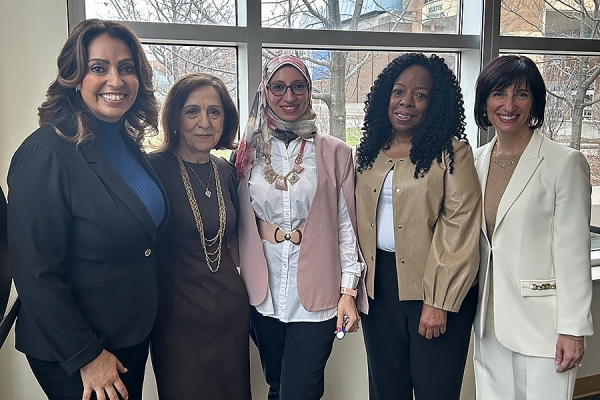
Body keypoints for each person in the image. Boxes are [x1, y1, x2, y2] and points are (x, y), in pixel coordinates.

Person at [7, 19, 167, 400]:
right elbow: (34, 272)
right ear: (74, 77)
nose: (116, 79)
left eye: (126, 68)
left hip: (128, 334)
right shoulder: (46, 151)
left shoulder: (126, 143)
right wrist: (86, 355)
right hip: (80, 349)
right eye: (99, 68)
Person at [235, 54, 367, 400]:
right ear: (265, 91)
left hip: (318, 295)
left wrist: (349, 293)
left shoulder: (335, 152)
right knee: (279, 384)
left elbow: (346, 227)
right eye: (278, 87)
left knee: (300, 390)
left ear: (309, 91)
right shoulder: (248, 153)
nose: (289, 97)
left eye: (298, 87)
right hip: (261, 295)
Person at [355, 53, 481, 400]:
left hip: (435, 288)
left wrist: (438, 301)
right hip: (379, 289)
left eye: (420, 94)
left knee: (434, 391)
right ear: (386, 96)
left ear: (434, 102)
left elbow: (459, 229)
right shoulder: (368, 152)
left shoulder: (452, 153)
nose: (406, 101)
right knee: (385, 389)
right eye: (398, 91)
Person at [472, 55, 594, 400]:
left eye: (521, 94)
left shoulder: (564, 163)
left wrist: (573, 329)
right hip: (487, 321)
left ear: (535, 101)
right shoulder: (475, 160)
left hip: (544, 324)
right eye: (499, 94)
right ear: (485, 100)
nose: (508, 105)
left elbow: (573, 252)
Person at [149, 73, 250, 399]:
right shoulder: (150, 170)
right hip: (177, 323)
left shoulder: (226, 171)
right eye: (192, 111)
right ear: (175, 117)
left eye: (214, 112)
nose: (204, 122)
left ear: (226, 120)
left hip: (231, 317)